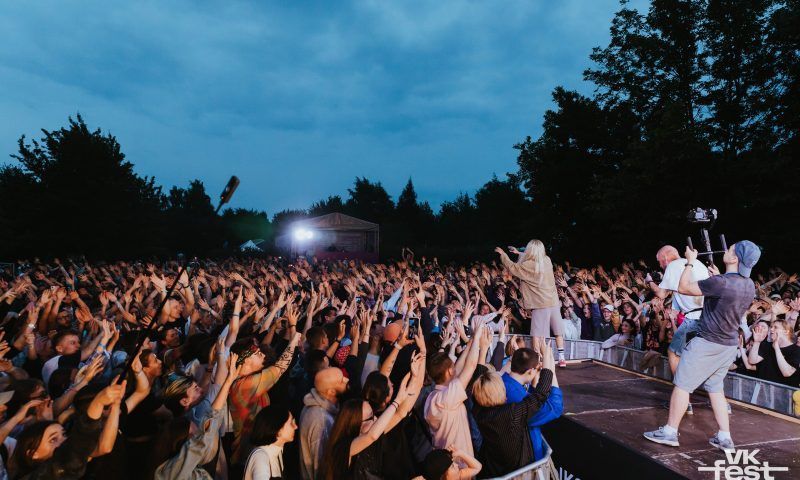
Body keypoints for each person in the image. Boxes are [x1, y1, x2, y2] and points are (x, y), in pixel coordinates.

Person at [644, 241, 761, 451]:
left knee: (682, 384)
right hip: (728, 345)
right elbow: (725, 296)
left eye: (731, 249)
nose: (726, 250)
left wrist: (689, 263)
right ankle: (725, 437)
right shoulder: (748, 284)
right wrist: (715, 277)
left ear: (734, 259)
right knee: (716, 389)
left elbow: (683, 288)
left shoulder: (721, 282)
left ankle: (670, 432)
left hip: (707, 342)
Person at [471, 348, 555, 477]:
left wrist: (482, 347)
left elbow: (478, 379)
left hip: (492, 467)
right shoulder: (510, 414)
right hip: (515, 472)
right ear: (499, 391)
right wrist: (548, 365)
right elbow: (539, 396)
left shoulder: (478, 410)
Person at [495, 241, 567, 367]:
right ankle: (561, 358)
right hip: (553, 302)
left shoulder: (529, 265)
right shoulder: (547, 260)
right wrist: (519, 253)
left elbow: (513, 268)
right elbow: (533, 257)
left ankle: (538, 361)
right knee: (558, 331)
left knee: (537, 335)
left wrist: (503, 255)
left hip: (540, 304)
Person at [648, 245, 710, 376]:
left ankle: (680, 386)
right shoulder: (696, 264)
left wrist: (649, 281)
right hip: (708, 316)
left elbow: (661, 293)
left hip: (694, 318)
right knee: (692, 353)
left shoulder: (673, 266)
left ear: (665, 258)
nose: (660, 266)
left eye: (659, 261)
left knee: (673, 352)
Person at [501, 347, 563, 462]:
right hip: (525, 457)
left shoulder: (503, 382)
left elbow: (530, 399)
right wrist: (551, 372)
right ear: (530, 371)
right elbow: (555, 408)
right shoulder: (516, 395)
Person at [298, 367, 348, 480]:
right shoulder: (321, 421)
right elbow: (321, 465)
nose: (346, 380)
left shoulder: (317, 407)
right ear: (331, 391)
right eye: (341, 380)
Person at [243, 405, 298, 480]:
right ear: (278, 431)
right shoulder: (261, 458)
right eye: (291, 423)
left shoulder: (277, 451)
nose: (296, 427)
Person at [748, 320, 800, 387]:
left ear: (786, 331)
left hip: (783, 393)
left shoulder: (796, 350)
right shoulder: (767, 345)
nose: (771, 329)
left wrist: (777, 348)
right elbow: (752, 361)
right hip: (763, 389)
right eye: (771, 327)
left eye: (775, 327)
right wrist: (757, 342)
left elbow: (787, 372)